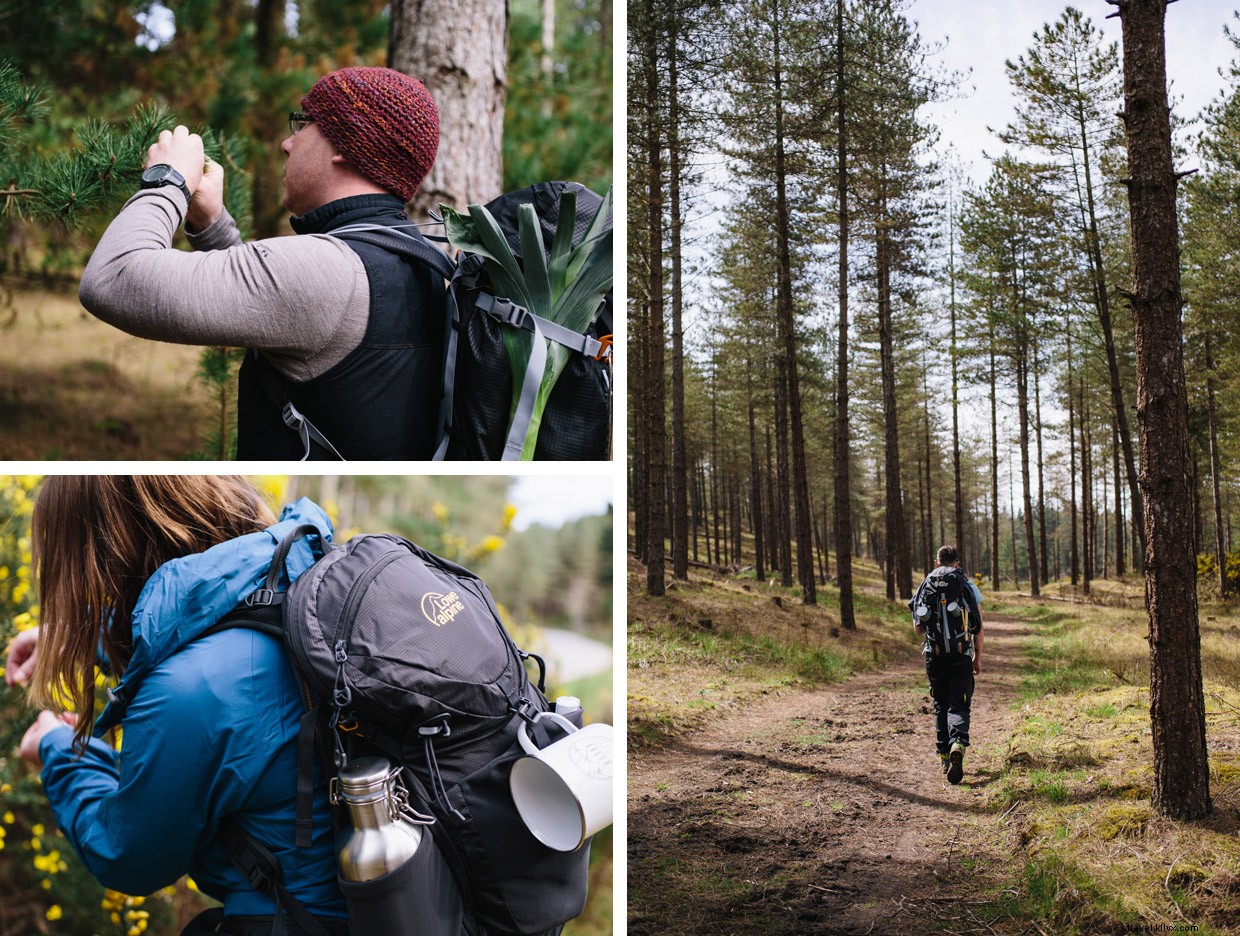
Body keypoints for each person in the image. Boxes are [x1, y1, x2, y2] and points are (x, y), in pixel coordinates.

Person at [9, 476, 350, 935]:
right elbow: (214, 622)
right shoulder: (303, 572)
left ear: (108, 554)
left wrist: (57, 747)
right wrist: (78, 636)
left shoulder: (188, 692)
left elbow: (127, 856)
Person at [77, 67, 446, 460]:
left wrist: (168, 180)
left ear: (343, 144)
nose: (288, 143)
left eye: (304, 123)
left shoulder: (327, 271)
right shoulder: (421, 259)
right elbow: (286, 312)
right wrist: (212, 225)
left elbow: (113, 277)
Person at [909, 545, 983, 785]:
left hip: (935, 655)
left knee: (940, 703)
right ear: (957, 563)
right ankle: (958, 743)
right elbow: (978, 627)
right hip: (961, 655)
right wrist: (977, 657)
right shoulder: (967, 585)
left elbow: (918, 628)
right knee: (959, 704)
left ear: (936, 562)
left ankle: (944, 756)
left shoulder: (925, 585)